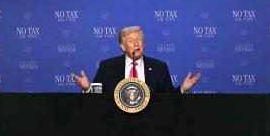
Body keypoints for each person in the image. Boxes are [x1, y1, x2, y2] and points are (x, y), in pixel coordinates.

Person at [71, 26, 201, 93]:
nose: (136, 43)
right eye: (131, 41)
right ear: (122, 46)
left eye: (139, 40)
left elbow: (168, 99)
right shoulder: (107, 66)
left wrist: (183, 89)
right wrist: (87, 89)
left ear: (143, 44)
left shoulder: (159, 67)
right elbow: (98, 99)